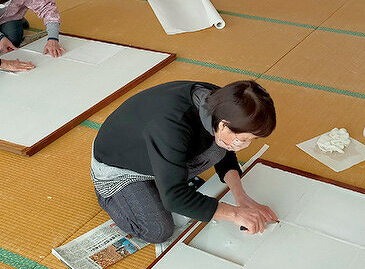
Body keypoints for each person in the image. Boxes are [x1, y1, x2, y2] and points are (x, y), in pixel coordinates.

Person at [91, 80, 278, 244]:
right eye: (243, 139)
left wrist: (240, 196)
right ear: (223, 124)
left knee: (218, 146)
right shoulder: (172, 127)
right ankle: (109, 196)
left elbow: (226, 155)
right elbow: (174, 198)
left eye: (251, 140)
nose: (244, 145)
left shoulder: (224, 103)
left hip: (153, 150)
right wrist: (235, 214)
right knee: (158, 230)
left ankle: (163, 179)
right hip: (118, 166)